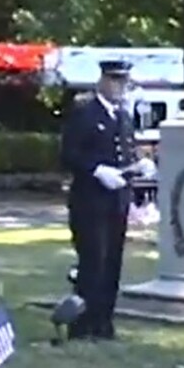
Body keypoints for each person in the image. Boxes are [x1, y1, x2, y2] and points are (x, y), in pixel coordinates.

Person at [59, 61, 150, 341]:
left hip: (116, 201)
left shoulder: (122, 116)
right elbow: (68, 153)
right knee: (92, 263)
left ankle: (104, 322)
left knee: (112, 263)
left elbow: (125, 153)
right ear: (103, 81)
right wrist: (96, 170)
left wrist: (139, 167)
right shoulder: (85, 113)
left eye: (124, 82)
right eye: (115, 81)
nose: (120, 87)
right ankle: (83, 324)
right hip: (90, 201)